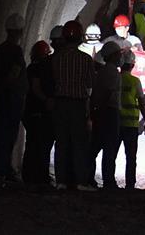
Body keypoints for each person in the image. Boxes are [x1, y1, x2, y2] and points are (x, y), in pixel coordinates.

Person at [51, 20, 96, 191]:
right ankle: (80, 181)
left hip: (60, 103)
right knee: (79, 143)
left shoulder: (57, 59)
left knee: (61, 142)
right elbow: (90, 83)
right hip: (78, 104)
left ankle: (61, 181)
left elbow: (54, 80)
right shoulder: (85, 60)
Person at [0, 13, 28, 181]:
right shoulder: (16, 51)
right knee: (9, 133)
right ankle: (3, 168)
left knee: (1, 132)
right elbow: (15, 72)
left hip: (1, 96)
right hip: (12, 97)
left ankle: (0, 167)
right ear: (19, 31)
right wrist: (8, 86)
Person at [89, 41, 122, 189]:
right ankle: (108, 181)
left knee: (96, 145)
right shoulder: (112, 72)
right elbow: (108, 93)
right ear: (113, 55)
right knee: (109, 149)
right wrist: (101, 110)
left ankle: (89, 176)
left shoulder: (103, 71)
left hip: (102, 111)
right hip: (109, 112)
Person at [22, 40, 54, 186]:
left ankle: (29, 176)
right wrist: (46, 99)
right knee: (39, 144)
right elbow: (35, 87)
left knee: (32, 143)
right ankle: (37, 176)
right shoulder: (38, 69)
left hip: (29, 110)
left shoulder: (30, 68)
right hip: (37, 110)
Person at [118, 51, 145, 189]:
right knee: (131, 157)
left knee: (111, 153)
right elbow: (142, 103)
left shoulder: (116, 78)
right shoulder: (135, 81)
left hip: (116, 122)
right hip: (131, 124)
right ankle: (130, 184)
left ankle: (109, 182)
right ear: (132, 65)